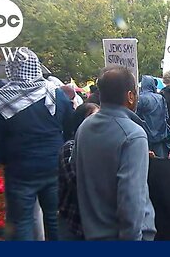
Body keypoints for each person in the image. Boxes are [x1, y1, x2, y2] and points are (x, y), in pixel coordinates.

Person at [0, 48, 74, 240]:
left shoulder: (0, 100)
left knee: (21, 221)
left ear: (11, 69)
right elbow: (70, 125)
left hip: (19, 169)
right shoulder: (55, 94)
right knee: (54, 217)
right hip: (53, 165)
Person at [74, 66, 156, 240]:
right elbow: (131, 198)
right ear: (130, 96)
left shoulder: (84, 127)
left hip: (92, 232)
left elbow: (76, 170)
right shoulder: (133, 135)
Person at [59, 103, 100, 240]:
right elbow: (76, 182)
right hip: (75, 221)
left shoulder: (103, 143)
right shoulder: (69, 147)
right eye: (91, 117)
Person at [137, 75, 170, 158]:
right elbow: (166, 116)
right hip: (160, 136)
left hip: (146, 137)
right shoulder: (160, 97)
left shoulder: (140, 98)